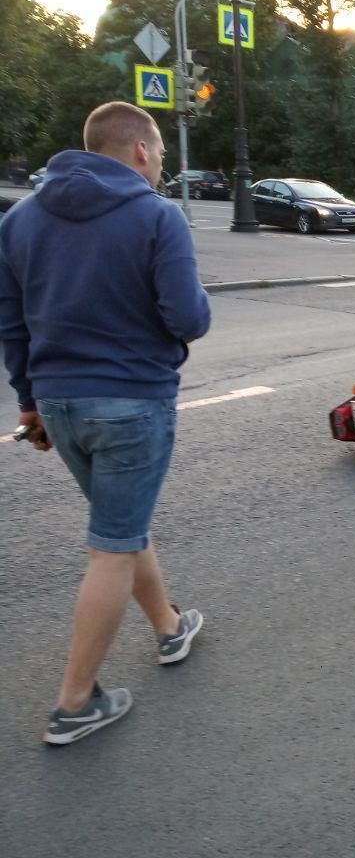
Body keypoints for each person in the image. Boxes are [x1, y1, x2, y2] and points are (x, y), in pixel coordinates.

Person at [0, 101, 212, 745]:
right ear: (142, 152)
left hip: (60, 404)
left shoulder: (19, 219)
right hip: (131, 401)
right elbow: (189, 318)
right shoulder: (156, 215)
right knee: (112, 545)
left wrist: (30, 402)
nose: (163, 167)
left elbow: (12, 323)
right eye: (162, 156)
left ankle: (170, 627)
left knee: (121, 522)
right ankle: (75, 701)